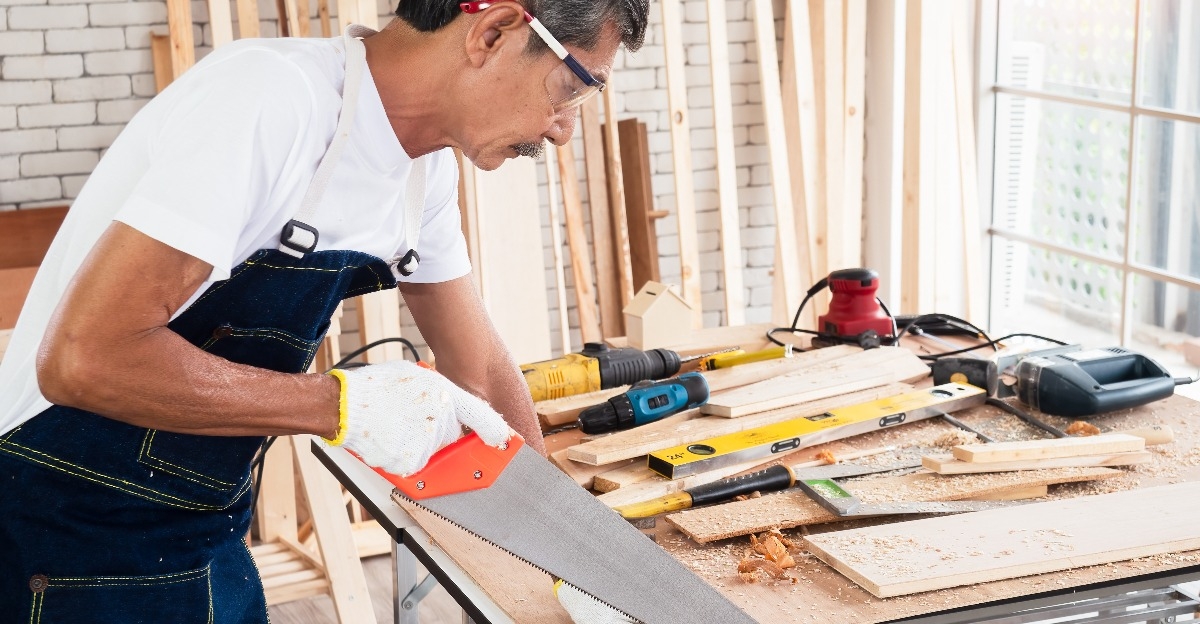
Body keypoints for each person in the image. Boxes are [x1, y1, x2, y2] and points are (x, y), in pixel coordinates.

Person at [0, 0, 648, 621]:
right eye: (573, 88)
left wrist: (569, 562)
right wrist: (343, 406)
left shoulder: (424, 175)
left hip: (205, 536)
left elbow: (478, 372)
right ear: (493, 33)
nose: (564, 128)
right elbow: (84, 358)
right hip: (63, 534)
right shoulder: (271, 101)